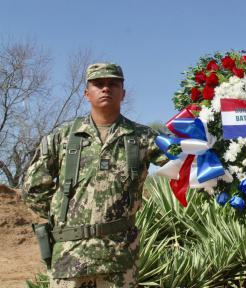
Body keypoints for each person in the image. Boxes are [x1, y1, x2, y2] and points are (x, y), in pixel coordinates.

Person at [23, 63, 167, 288]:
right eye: (98, 84)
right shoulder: (63, 137)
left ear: (123, 92)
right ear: (86, 93)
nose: (106, 89)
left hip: (119, 258)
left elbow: (182, 160)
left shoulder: (142, 137)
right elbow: (33, 188)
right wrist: (65, 212)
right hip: (70, 257)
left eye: (113, 84)